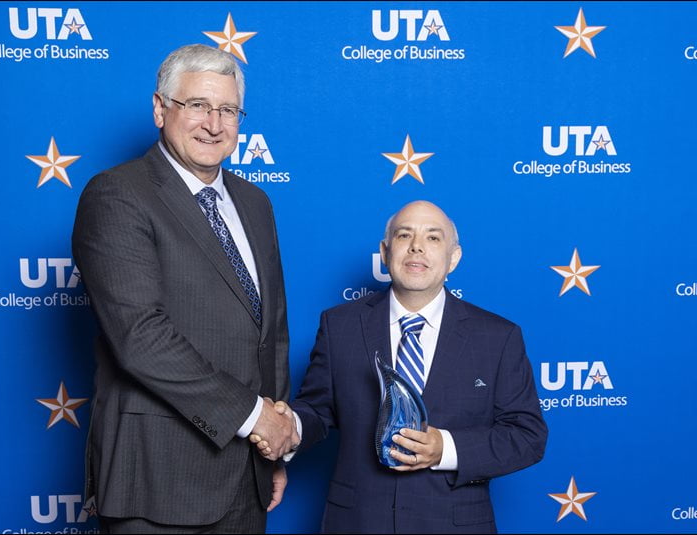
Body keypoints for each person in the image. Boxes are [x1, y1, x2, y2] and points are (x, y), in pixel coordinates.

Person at [72, 43, 297, 534]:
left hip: (245, 475)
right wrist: (254, 417)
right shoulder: (117, 195)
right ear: (160, 109)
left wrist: (272, 447)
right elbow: (140, 337)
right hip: (158, 479)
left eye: (228, 110)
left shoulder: (255, 202)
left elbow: (270, 334)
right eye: (197, 105)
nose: (213, 124)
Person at [254, 200, 547, 533]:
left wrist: (445, 449)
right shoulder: (340, 325)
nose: (417, 246)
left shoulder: (497, 337)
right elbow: (318, 411)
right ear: (385, 250)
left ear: (454, 258)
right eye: (404, 235)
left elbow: (528, 437)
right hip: (357, 522)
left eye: (433, 238)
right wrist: (289, 425)